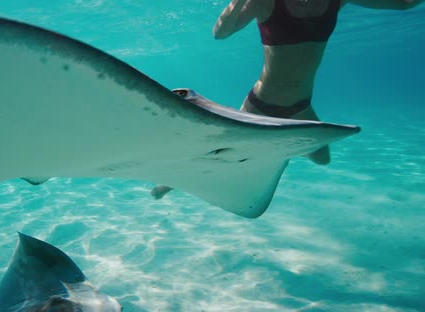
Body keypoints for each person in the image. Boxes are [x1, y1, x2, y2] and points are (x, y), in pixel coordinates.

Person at [151, 0, 423, 200]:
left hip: (301, 107)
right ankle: (169, 184)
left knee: (322, 158)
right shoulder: (265, 2)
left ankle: (274, 153)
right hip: (262, 105)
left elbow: (405, 4)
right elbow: (219, 33)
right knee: (220, 156)